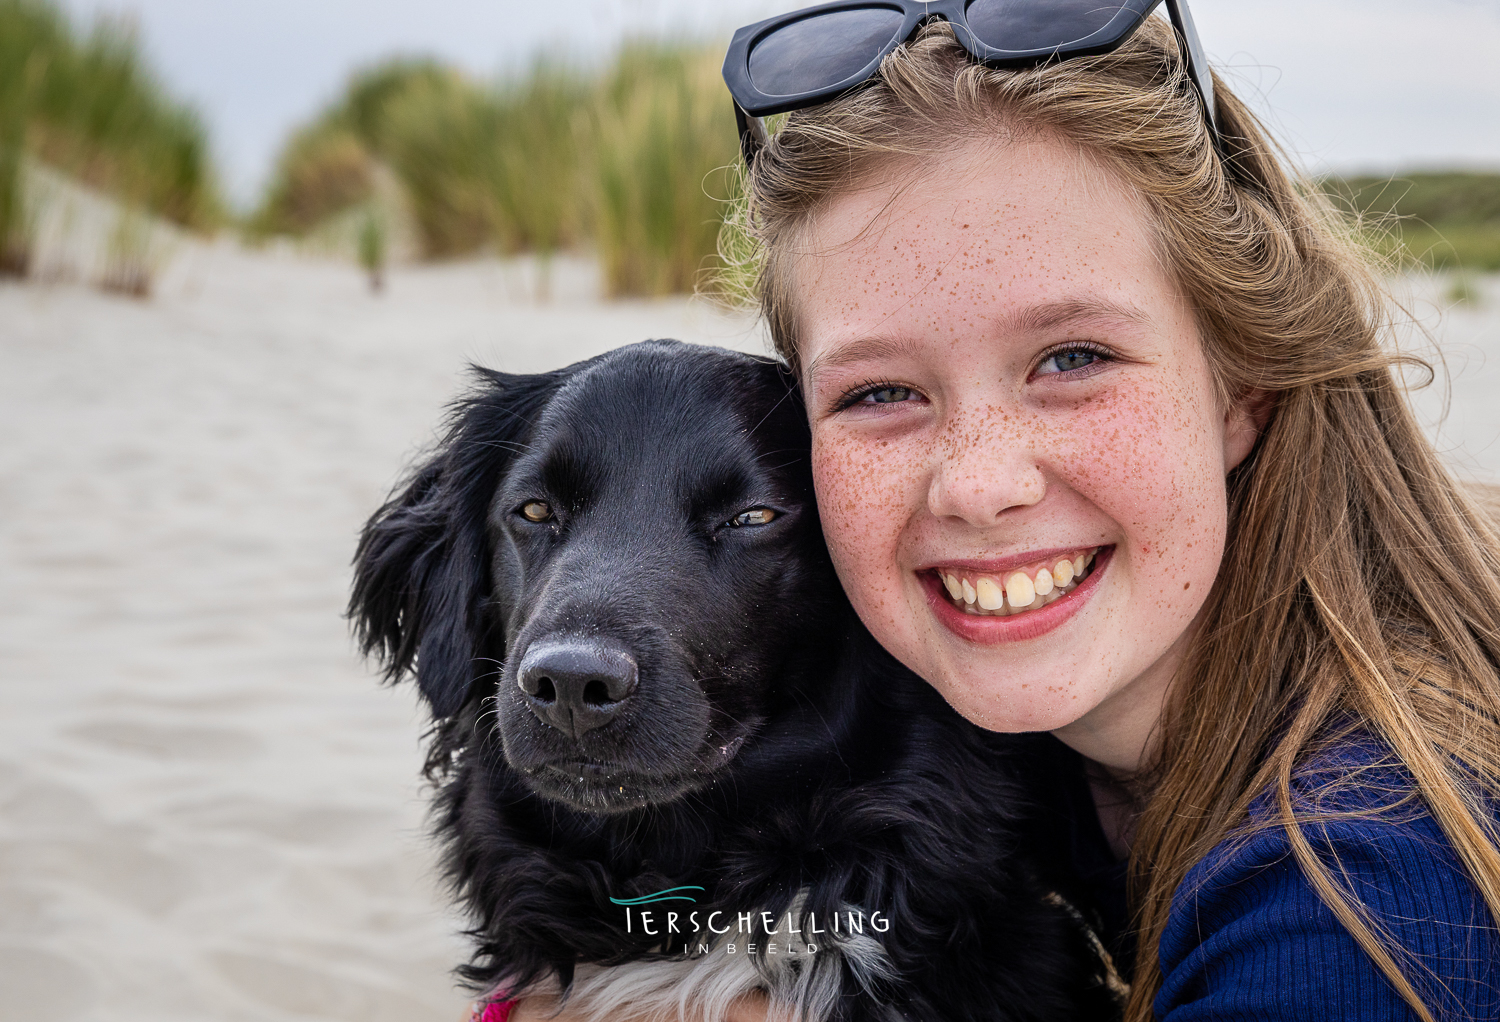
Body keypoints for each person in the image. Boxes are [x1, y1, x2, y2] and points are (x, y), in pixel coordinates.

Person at [504, 4, 1500, 1021]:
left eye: (1072, 359)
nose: (978, 484)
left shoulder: (1359, 903)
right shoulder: (1009, 751)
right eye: (880, 391)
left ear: (1242, 385)